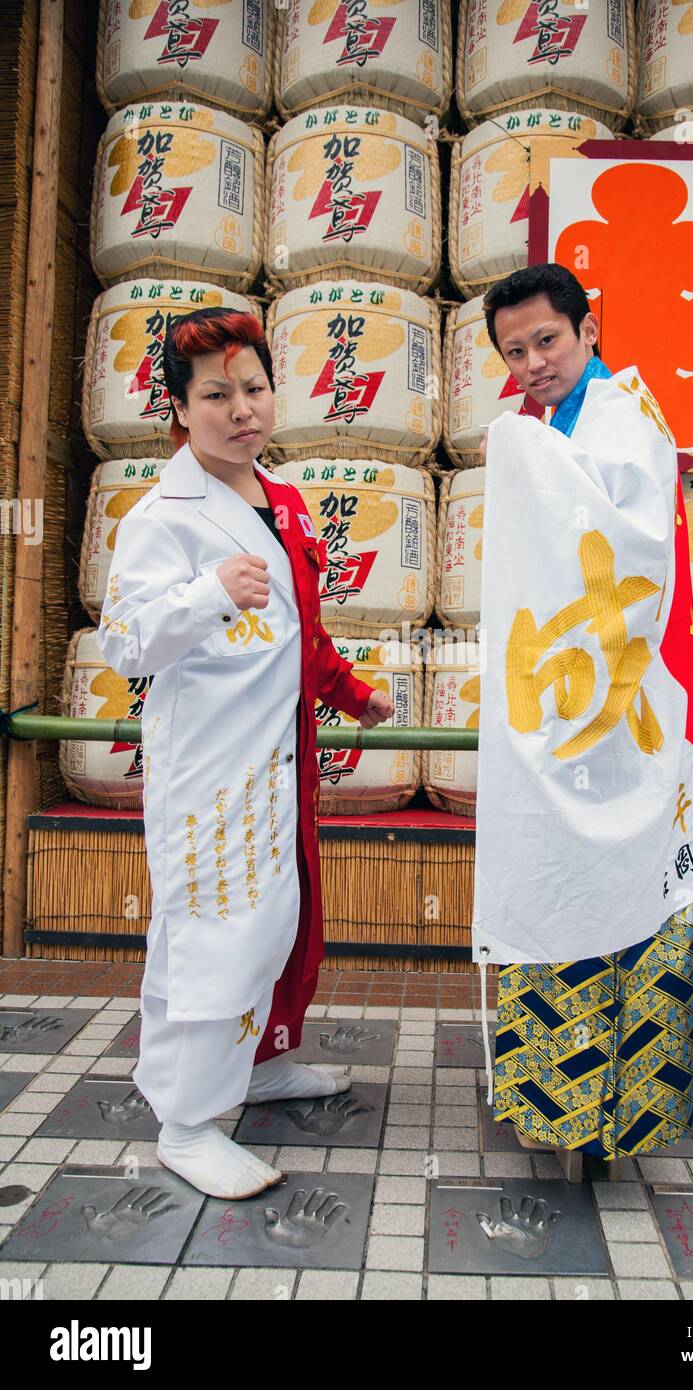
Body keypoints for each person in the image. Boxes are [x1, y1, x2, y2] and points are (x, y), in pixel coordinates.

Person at [96, 307, 393, 1200]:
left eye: (254, 388)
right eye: (216, 394)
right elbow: (125, 644)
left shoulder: (283, 497)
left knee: (276, 922)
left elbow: (303, 630)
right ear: (180, 410)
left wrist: (348, 691)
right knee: (211, 933)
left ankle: (261, 1064)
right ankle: (187, 1124)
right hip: (213, 770)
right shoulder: (162, 516)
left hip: (280, 758)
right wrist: (207, 593)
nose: (241, 409)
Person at [479, 263, 693, 1182]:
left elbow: (640, 555)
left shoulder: (624, 419)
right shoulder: (543, 430)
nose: (535, 362)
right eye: (516, 351)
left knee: (633, 902)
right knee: (562, 891)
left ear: (588, 328)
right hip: (568, 712)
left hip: (628, 713)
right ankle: (562, 1107)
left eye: (548, 340)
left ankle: (623, 1110)